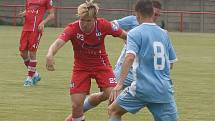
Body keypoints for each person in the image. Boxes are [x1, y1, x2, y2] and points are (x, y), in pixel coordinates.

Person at [45, 0, 127, 121]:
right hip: (81, 68)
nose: (84, 23)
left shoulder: (103, 25)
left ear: (95, 19)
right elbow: (58, 43)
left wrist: (137, 46)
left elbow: (125, 35)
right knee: (76, 105)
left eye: (88, 21)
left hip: (101, 66)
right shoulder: (72, 28)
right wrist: (49, 54)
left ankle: (104, 105)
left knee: (114, 98)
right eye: (82, 20)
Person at [108, 0, 178, 121]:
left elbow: (129, 57)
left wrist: (119, 84)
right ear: (152, 13)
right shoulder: (164, 34)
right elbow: (170, 63)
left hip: (142, 88)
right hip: (163, 89)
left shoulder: (134, 33)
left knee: (113, 110)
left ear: (138, 15)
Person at [113, 0, 162, 88]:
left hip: (141, 72)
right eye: (155, 14)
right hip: (124, 67)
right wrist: (125, 36)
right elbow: (112, 25)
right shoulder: (133, 19)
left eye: (158, 15)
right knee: (108, 94)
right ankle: (86, 102)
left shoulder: (156, 29)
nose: (156, 17)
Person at [19, 0, 55, 86]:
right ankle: (35, 74)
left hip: (36, 29)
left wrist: (42, 23)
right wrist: (24, 13)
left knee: (32, 53)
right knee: (22, 53)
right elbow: (28, 10)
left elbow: (52, 14)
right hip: (26, 28)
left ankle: (29, 78)